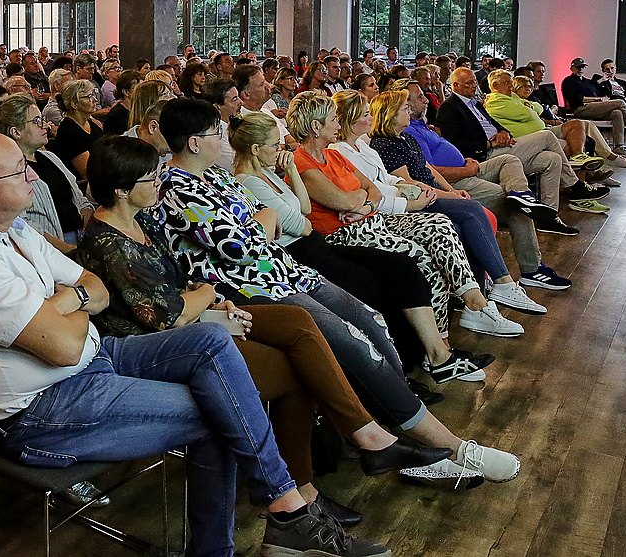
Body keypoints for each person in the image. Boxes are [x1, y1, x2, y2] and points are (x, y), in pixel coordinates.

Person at [0, 132, 392, 557]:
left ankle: (284, 506)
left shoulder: (15, 231)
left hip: (94, 360)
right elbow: (65, 345)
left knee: (208, 337)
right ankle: (273, 519)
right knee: (220, 411)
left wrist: (63, 305)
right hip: (41, 408)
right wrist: (77, 305)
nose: (32, 173)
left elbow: (94, 288)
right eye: (18, 170)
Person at [75, 135, 452, 525]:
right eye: (149, 179)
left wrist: (210, 300)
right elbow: (169, 315)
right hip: (159, 349)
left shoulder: (141, 221)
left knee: (299, 321)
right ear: (121, 189)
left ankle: (366, 438)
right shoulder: (110, 243)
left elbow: (183, 283)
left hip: (194, 322)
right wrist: (207, 294)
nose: (159, 183)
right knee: (296, 364)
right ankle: (319, 478)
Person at [153, 98, 522, 489]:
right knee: (351, 342)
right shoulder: (178, 188)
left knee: (371, 322)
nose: (223, 139)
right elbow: (241, 245)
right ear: (194, 142)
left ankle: (399, 435)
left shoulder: (217, 177)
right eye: (215, 133)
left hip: (285, 270)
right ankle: (448, 447)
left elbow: (271, 225)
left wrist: (263, 220)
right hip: (251, 287)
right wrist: (263, 219)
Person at [230, 110, 477, 383]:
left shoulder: (271, 174)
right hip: (303, 251)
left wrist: (293, 174)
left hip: (318, 242)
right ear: (255, 149)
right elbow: (303, 223)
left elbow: (306, 208)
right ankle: (401, 370)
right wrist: (351, 200)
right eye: (275, 144)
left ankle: (436, 352)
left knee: (403, 264)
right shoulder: (248, 182)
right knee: (371, 283)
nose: (281, 149)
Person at [286, 91, 526, 342]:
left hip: (369, 220)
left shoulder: (332, 155)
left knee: (442, 224)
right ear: (316, 126)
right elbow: (345, 200)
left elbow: (373, 189)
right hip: (345, 233)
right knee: (423, 257)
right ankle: (440, 343)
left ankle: (474, 299)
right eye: (333, 119)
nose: (337, 124)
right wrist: (362, 200)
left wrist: (363, 205)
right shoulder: (304, 164)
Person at [359, 89, 557, 306]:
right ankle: (501, 283)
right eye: (404, 108)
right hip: (425, 197)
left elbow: (427, 168)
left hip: (444, 185)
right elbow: (409, 184)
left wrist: (449, 191)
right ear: (390, 114)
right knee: (483, 209)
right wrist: (450, 192)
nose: (409, 111)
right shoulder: (385, 145)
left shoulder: (405, 136)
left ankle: (521, 195)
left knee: (523, 164)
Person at [438, 67, 605, 212]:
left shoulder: (476, 104)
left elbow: (496, 124)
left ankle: (549, 214)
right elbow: (455, 144)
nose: (474, 85)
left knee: (552, 158)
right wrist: (489, 143)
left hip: (503, 144)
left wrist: (503, 132)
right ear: (455, 86)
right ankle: (574, 185)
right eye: (468, 83)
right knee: (547, 135)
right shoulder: (450, 108)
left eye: (474, 81)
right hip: (486, 154)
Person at [0, 93, 92, 250]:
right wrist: (68, 249)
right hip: (49, 248)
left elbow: (79, 197)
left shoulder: (49, 156)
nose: (46, 126)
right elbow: (22, 226)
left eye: (42, 119)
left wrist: (89, 231)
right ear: (16, 132)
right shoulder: (7, 172)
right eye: (37, 122)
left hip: (81, 234)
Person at [560, 57, 626, 157]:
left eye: (582, 67)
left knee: (617, 113)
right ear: (572, 68)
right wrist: (599, 99)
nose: (581, 69)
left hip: (594, 107)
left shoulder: (586, 81)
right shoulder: (568, 81)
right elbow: (576, 98)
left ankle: (618, 147)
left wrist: (601, 86)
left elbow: (596, 86)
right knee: (619, 102)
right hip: (581, 109)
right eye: (578, 67)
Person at [47, 78, 105, 184]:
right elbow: (88, 172)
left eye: (93, 95)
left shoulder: (91, 124)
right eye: (89, 97)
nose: (95, 100)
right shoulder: (69, 131)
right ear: (74, 104)